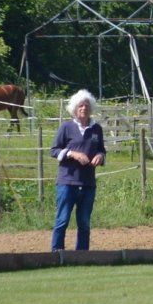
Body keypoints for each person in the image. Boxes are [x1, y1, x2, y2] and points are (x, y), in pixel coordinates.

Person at [49, 89, 106, 251]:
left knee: (84, 222)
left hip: (88, 182)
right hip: (67, 182)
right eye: (80, 105)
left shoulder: (97, 129)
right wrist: (72, 154)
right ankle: (57, 253)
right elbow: (54, 150)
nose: (84, 108)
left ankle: (82, 255)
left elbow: (101, 149)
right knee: (62, 220)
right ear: (75, 108)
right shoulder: (66, 127)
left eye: (86, 105)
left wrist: (100, 156)